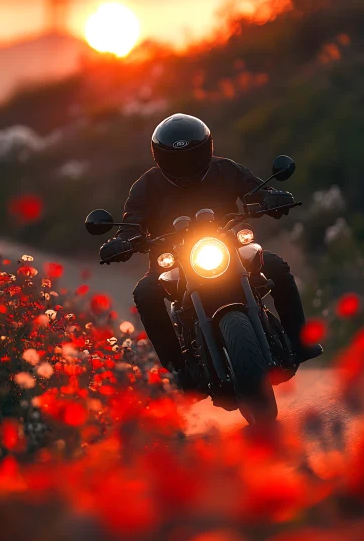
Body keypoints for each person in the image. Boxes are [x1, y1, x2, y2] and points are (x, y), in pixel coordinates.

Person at [100, 113, 322, 376]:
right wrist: (121, 242)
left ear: (206, 149)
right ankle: (177, 369)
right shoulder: (146, 186)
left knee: (276, 266)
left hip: (230, 249)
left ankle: (299, 342)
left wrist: (273, 198)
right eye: (175, 158)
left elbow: (255, 190)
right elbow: (133, 220)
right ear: (160, 157)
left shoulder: (225, 169)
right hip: (172, 261)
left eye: (191, 155)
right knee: (146, 292)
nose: (184, 164)